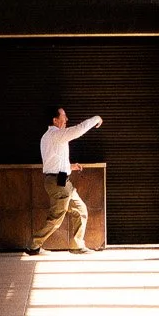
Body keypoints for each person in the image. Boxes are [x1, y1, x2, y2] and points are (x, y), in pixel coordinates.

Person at [25, 105, 102, 256]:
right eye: (63, 116)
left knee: (80, 211)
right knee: (56, 218)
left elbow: (53, 160)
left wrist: (69, 166)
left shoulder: (49, 137)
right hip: (58, 183)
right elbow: (78, 130)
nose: (66, 119)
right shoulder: (55, 135)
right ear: (55, 120)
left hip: (62, 181)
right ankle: (33, 245)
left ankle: (77, 245)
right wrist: (96, 119)